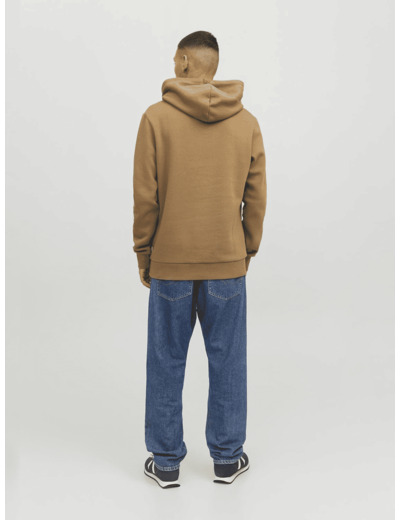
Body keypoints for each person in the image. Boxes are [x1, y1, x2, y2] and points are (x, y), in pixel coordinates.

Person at [133, 30, 267, 488]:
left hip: (170, 263)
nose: (173, 64)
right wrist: (246, 248)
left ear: (187, 62)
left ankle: (166, 464)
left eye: (176, 58)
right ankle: (227, 460)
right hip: (227, 262)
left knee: (165, 360)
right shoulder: (246, 123)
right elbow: (256, 196)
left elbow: (145, 197)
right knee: (228, 360)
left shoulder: (155, 119)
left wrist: (144, 252)